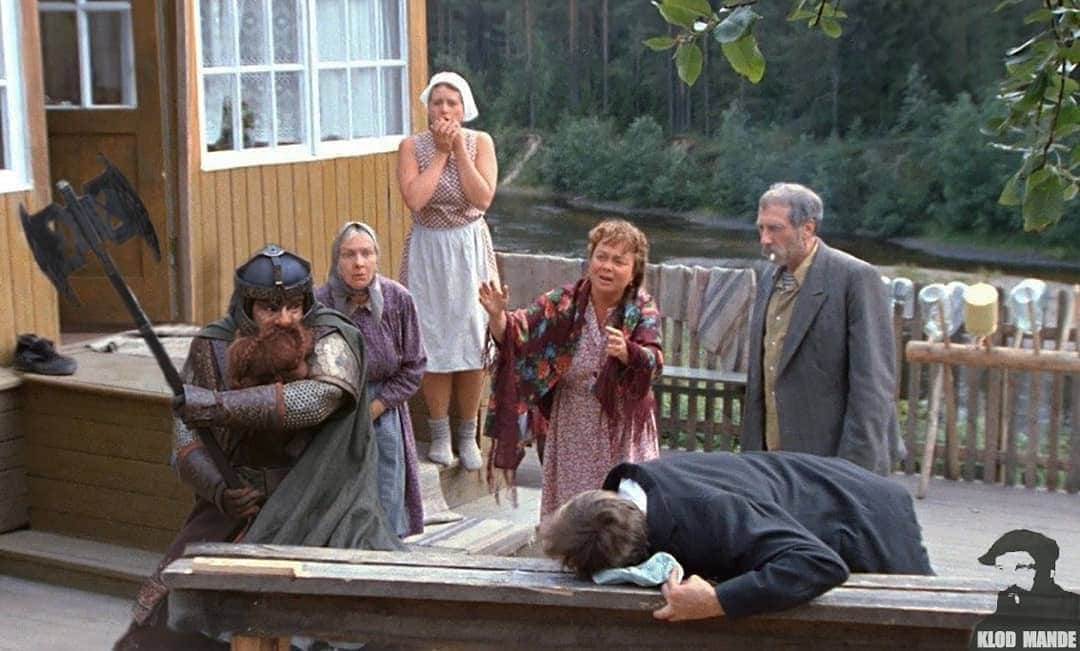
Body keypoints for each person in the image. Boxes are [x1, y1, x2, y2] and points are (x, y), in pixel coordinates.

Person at [115, 245, 401, 650]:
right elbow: (185, 435)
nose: (284, 318)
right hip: (238, 505)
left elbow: (319, 398)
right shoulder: (214, 345)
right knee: (167, 621)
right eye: (270, 308)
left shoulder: (331, 336)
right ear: (247, 307)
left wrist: (218, 406)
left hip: (325, 504)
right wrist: (218, 488)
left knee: (341, 621)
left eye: (293, 306)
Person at [540, 451, 933, 622]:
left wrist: (717, 601)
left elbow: (819, 563)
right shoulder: (636, 492)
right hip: (821, 503)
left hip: (864, 519)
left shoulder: (709, 514)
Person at [480, 219, 663, 516]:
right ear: (590, 260)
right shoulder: (564, 302)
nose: (607, 267)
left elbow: (654, 361)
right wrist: (497, 316)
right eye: (601, 257)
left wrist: (629, 353)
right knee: (574, 510)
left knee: (622, 511)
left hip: (624, 427)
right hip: (573, 423)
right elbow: (517, 333)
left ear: (633, 272)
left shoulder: (642, 308)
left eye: (619, 261)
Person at [742, 182, 903, 475]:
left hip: (829, 458)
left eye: (775, 228)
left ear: (807, 228)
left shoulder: (854, 278)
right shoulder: (770, 277)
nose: (765, 239)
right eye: (761, 228)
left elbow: (873, 384)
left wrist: (854, 470)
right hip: (771, 459)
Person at [397, 71, 498, 472]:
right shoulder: (412, 147)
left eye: (451, 103)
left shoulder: (480, 142)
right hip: (429, 248)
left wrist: (457, 149)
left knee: (473, 336)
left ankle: (467, 434)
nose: (443, 109)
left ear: (463, 108)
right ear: (428, 107)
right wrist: (439, 153)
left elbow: (482, 197)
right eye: (437, 102)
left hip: (468, 247)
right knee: (432, 337)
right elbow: (415, 199)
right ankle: (439, 433)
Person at [315, 221, 427, 537]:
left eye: (366, 253)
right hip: (333, 406)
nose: (359, 263)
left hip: (385, 407)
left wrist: (375, 407)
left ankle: (385, 546)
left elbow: (414, 366)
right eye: (349, 254)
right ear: (337, 259)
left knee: (386, 483)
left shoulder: (398, 299)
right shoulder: (319, 302)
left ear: (377, 257)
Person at [970, 529, 1080, 649]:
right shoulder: (989, 630)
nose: (1010, 579)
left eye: (1021, 568)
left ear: (1049, 572)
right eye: (1002, 568)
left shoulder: (1074, 611)